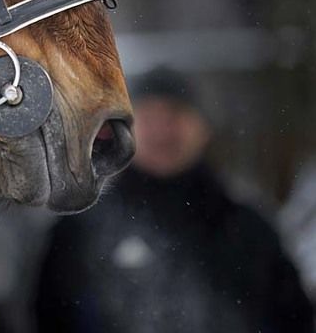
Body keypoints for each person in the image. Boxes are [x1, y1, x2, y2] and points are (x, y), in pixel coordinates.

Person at [33, 66, 314, 333]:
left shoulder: (248, 230)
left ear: (203, 128)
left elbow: (292, 319)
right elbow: (47, 317)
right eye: (148, 117)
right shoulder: (80, 232)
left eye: (175, 115)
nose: (162, 130)